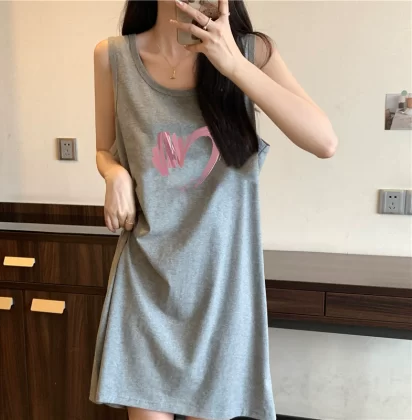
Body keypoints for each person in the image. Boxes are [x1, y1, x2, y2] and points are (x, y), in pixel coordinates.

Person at [90, 1, 338, 420]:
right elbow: (104, 148)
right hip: (147, 284)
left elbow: (324, 141)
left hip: (223, 290)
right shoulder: (112, 57)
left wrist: (234, 64)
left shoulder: (251, 51)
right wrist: (114, 173)